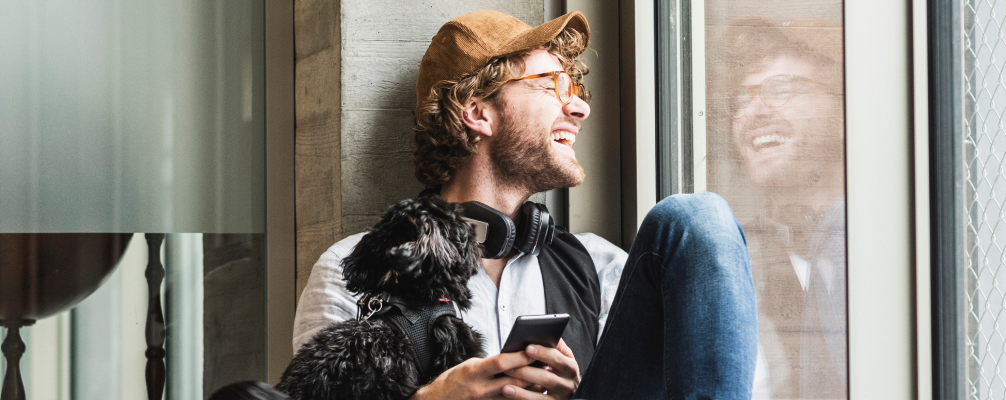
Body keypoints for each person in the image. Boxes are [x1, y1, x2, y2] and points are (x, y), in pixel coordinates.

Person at [292, 10, 758, 400]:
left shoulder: (598, 266)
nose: (579, 108)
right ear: (477, 111)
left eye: (574, 89)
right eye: (550, 84)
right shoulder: (356, 268)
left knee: (696, 220)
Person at [712, 16, 847, 399]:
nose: (754, 111)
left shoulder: (894, 241)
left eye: (781, 87)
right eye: (742, 98)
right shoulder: (734, 261)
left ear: (842, 111)